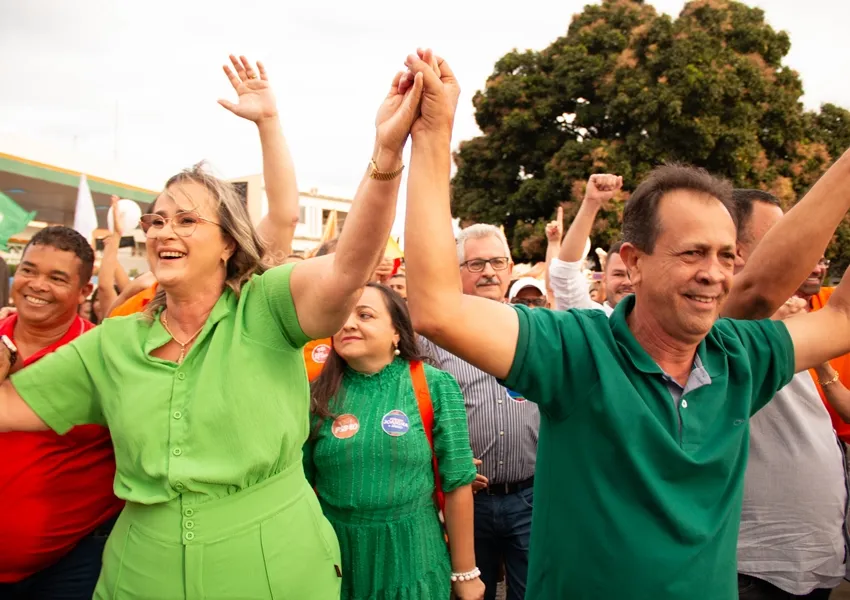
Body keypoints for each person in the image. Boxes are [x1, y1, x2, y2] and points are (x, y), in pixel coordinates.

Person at [401, 50, 850, 599]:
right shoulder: (576, 351)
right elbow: (437, 309)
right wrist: (432, 136)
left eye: (727, 255)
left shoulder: (740, 356)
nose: (714, 274)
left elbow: (842, 317)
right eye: (692, 253)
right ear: (634, 263)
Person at [0, 53, 425, 599]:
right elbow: (10, 407)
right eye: (156, 221)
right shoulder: (114, 341)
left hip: (275, 570)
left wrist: (386, 153)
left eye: (185, 220)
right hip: (138, 577)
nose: (162, 232)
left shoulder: (266, 307)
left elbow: (349, 266)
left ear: (227, 242)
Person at [304, 283, 482, 600]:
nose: (348, 323)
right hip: (336, 563)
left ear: (397, 331)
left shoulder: (434, 386)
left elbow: (457, 482)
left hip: (415, 558)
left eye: (365, 315)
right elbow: (300, 486)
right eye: (342, 315)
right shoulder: (314, 396)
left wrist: (465, 572)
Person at [728, 190, 846, 599]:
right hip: (755, 569)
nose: (805, 242)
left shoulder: (791, 320)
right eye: (779, 234)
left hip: (808, 559)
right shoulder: (723, 327)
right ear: (734, 252)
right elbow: (757, 290)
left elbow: (844, 317)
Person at [0, 226, 123, 599]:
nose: (36, 285)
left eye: (56, 278)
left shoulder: (104, 358)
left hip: (72, 566)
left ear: (84, 291)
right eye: (28, 270)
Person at [420, 220, 539, 600]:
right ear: (456, 273)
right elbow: (419, 411)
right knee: (473, 593)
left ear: (510, 267)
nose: (488, 271)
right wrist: (445, 468)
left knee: (533, 591)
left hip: (530, 497)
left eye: (497, 262)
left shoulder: (536, 329)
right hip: (467, 501)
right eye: (475, 264)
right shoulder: (433, 337)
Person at [548, 174, 630, 314]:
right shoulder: (590, 319)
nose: (627, 282)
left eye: (632, 274)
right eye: (618, 274)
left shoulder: (666, 323)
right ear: (604, 279)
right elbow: (564, 273)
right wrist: (591, 203)